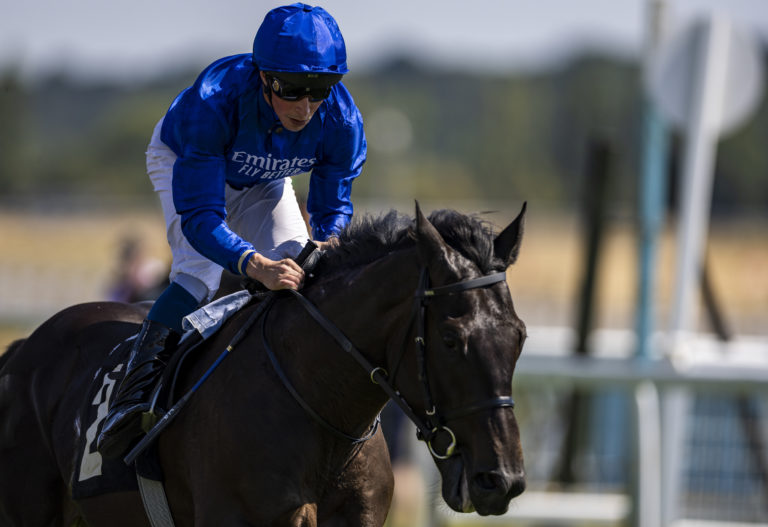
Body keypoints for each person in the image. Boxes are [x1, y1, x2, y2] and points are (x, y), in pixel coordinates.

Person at [97, 3, 366, 458]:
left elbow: (332, 210)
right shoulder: (213, 102)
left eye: (320, 88)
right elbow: (202, 218)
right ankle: (130, 400)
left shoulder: (340, 120)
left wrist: (327, 244)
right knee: (198, 274)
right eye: (293, 89)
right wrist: (254, 264)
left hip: (266, 177)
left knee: (305, 264)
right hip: (187, 163)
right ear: (264, 77)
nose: (305, 106)